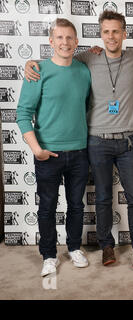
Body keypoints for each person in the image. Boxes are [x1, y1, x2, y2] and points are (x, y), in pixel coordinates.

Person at [25, 11, 133, 270]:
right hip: (95, 142)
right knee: (100, 199)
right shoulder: (87, 59)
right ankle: (104, 247)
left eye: (116, 31)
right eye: (106, 31)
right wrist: (30, 63)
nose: (111, 36)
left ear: (124, 34)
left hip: (123, 143)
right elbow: (58, 60)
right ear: (100, 35)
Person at [16, 18, 91, 276]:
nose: (65, 42)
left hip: (80, 152)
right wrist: (37, 149)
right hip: (47, 153)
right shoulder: (38, 70)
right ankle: (48, 255)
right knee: (47, 207)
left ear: (76, 41)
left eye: (70, 38)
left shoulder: (84, 71)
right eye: (59, 38)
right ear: (51, 41)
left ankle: (73, 247)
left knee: (76, 205)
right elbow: (23, 113)